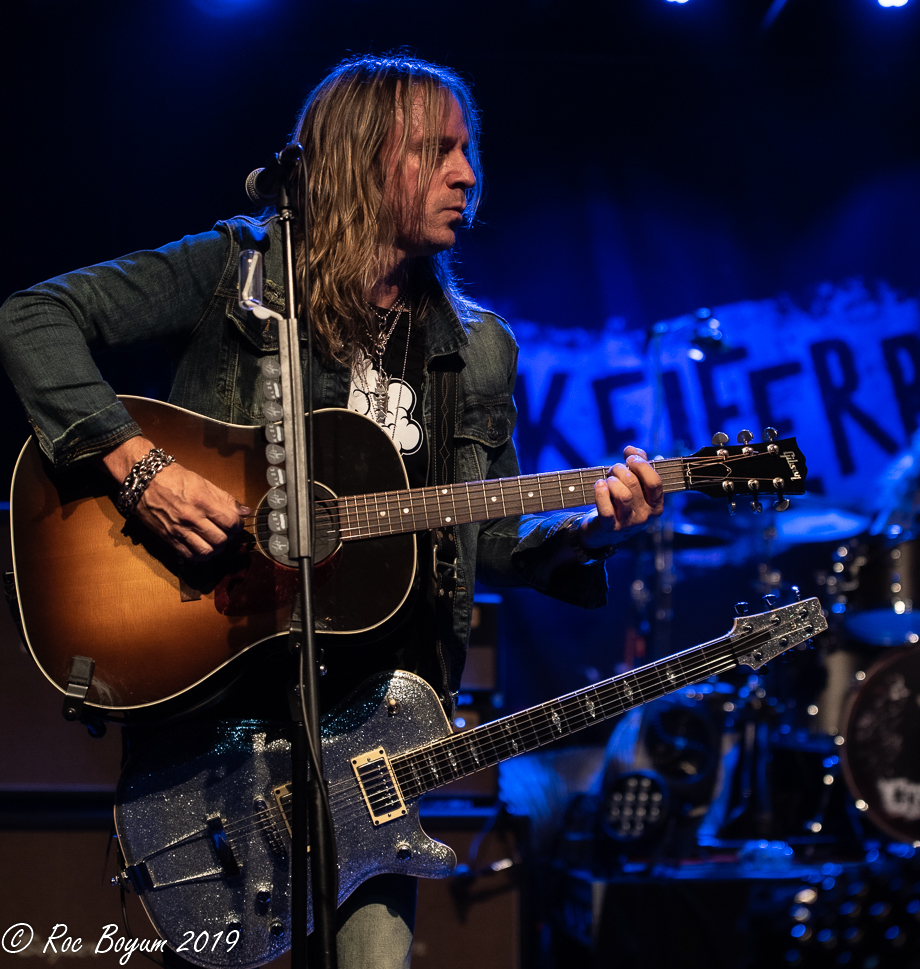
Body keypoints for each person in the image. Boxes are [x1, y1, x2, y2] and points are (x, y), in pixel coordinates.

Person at [0, 54, 662, 968]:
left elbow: (492, 541)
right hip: (219, 701)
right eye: (438, 151)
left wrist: (594, 527)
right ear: (359, 160)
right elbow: (33, 317)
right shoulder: (237, 272)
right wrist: (141, 467)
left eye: (469, 150)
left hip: (374, 736)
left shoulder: (478, 352)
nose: (468, 174)